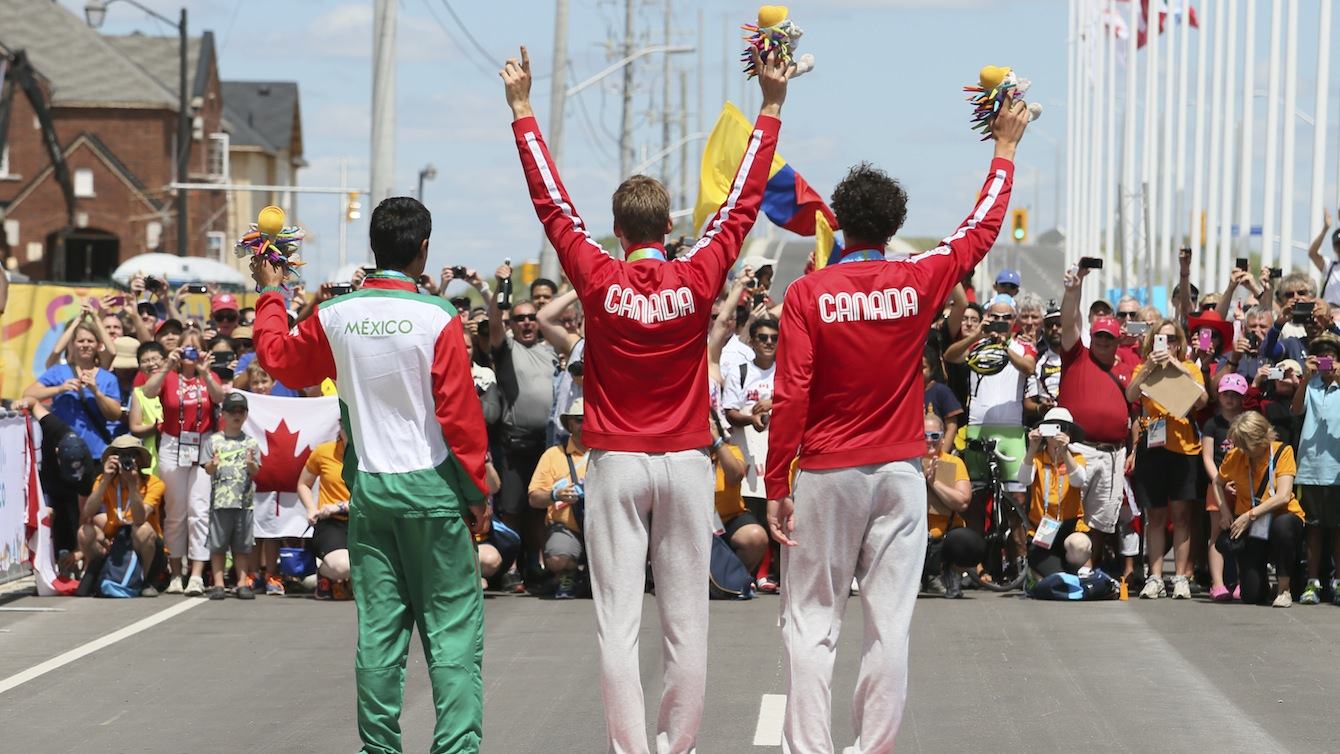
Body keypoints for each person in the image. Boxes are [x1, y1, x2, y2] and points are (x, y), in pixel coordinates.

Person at [504, 43, 789, 754]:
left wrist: (522, 110)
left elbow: (552, 205)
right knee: (687, 621)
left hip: (616, 461)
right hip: (687, 461)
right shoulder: (697, 273)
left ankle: (632, 750)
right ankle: (677, 746)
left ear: (620, 230)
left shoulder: (597, 276)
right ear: (665, 230)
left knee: (618, 622)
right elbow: (743, 203)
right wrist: (773, 105)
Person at [765, 94, 1027, 752]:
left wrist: (776, 482)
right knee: (890, 624)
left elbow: (791, 392)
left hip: (827, 471)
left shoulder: (808, 292)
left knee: (812, 622)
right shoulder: (917, 278)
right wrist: (1005, 151)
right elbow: (979, 230)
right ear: (894, 225)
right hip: (901, 471)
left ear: (841, 224)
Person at [251, 195, 489, 753]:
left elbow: (278, 357)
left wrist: (271, 290)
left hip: (371, 493)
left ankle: (379, 749)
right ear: (424, 249)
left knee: (380, 636)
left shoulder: (335, 316)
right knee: (452, 634)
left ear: (372, 247)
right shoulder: (439, 316)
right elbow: (459, 414)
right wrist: (477, 489)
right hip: (432, 490)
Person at [1127, 320, 1208, 600]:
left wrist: (1178, 366)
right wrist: (1150, 365)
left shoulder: (1190, 367)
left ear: (1180, 342)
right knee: (1156, 515)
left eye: (1172, 339)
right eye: (1161, 339)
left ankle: (1182, 576)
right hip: (1154, 447)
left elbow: (1202, 400)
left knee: (1182, 515)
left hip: (1184, 449)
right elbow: (1131, 394)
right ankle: (1156, 576)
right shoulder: (1144, 368)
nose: (1167, 343)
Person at [141, 339, 226, 596]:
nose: (190, 353)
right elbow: (147, 391)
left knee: (198, 509)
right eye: (185, 348)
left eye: (195, 348)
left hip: (203, 443)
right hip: (172, 444)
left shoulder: (208, 375)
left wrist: (204, 372)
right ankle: (176, 572)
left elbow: (220, 397)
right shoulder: (167, 375)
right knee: (176, 510)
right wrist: (167, 366)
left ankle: (198, 574)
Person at [1213, 411, 1305, 607]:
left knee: (1283, 525)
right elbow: (1217, 483)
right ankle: (1264, 586)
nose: (1241, 449)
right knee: (1252, 595)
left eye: (1245, 444)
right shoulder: (1236, 456)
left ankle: (1283, 589)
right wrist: (1225, 512)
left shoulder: (1282, 452)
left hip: (1282, 517)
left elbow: (1283, 495)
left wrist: (1250, 514)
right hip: (1253, 527)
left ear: (1261, 438)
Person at [723, 316, 780, 591]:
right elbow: (730, 412)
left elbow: (800, 400)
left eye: (774, 338)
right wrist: (752, 419)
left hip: (780, 447)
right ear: (753, 341)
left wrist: (774, 403)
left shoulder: (787, 373)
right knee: (753, 508)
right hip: (748, 448)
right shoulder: (740, 371)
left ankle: (770, 572)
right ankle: (755, 572)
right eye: (763, 337)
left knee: (778, 505)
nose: (768, 342)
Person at [77, 435, 165, 597]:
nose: (126, 459)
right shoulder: (104, 480)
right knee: (85, 531)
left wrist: (133, 485)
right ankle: (100, 571)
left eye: (131, 455)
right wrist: (105, 481)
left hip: (147, 547)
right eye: (121, 455)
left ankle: (147, 581)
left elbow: (139, 519)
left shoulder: (154, 483)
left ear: (139, 460)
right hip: (117, 542)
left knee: (142, 529)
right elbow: (87, 513)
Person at [24, 320, 123, 460]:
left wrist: (96, 392)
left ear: (98, 345)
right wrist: (59, 389)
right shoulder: (58, 372)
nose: (85, 345)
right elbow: (28, 393)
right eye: (81, 341)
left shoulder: (107, 378)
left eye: (90, 341)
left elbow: (114, 415)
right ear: (72, 345)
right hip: (61, 452)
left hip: (97, 453)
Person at [1290, 334, 1340, 605]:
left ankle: (1338, 581)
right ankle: (1313, 581)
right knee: (1314, 529)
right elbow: (1296, 410)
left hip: (1337, 469)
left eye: (1332, 356)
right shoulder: (1311, 385)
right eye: (1321, 356)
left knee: (1338, 528)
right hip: (1310, 468)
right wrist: (1306, 378)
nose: (1327, 362)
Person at [527, 399, 589, 599]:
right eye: (579, 420)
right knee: (556, 558)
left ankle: (589, 578)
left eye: (590, 419)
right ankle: (569, 575)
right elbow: (534, 497)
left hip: (605, 528)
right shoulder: (553, 455)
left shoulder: (607, 453)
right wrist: (555, 495)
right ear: (570, 424)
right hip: (568, 527)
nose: (585, 424)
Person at [201, 392, 259, 600]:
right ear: (223, 414)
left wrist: (252, 464)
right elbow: (207, 469)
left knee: (242, 545)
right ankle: (218, 583)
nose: (236, 415)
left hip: (244, 502)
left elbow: (255, 471)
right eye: (232, 411)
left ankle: (242, 582)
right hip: (220, 501)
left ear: (245, 415)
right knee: (218, 544)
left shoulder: (251, 443)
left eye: (240, 411)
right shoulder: (213, 441)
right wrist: (212, 465)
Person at [1018, 409, 1089, 578]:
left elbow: (1079, 480)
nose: (1057, 433)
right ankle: (1040, 573)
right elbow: (1023, 479)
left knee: (1080, 544)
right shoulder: (1036, 458)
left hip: (1069, 527)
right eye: (1051, 428)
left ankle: (1074, 570)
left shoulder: (1077, 457)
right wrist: (1032, 448)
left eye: (1062, 428)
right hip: (1042, 531)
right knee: (1057, 579)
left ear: (1069, 433)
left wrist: (1065, 451)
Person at [1201, 372, 1249, 601]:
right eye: (1225, 394)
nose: (1230, 399)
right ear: (1218, 397)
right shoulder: (1212, 424)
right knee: (1217, 532)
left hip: (1244, 485)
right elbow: (1208, 457)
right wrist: (1219, 481)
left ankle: (1242, 582)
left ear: (1242, 399)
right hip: (1218, 485)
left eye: (1235, 395)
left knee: (1242, 534)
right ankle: (1218, 583)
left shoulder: (1248, 422)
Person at [921, 414, 978, 598]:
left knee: (969, 541)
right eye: (924, 435)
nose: (929, 440)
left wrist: (934, 483)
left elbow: (963, 502)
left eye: (935, 436)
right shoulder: (908, 463)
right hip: (913, 535)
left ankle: (949, 572)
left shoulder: (954, 462)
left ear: (943, 438)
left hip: (944, 534)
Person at [298, 428, 354, 601]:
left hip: (362, 521)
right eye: (346, 426)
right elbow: (303, 484)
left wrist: (341, 506)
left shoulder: (369, 454)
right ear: (341, 428)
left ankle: (348, 583)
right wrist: (311, 508)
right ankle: (325, 574)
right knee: (343, 567)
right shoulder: (324, 451)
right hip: (331, 524)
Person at [711, 412, 767, 573]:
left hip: (728, 519)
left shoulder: (731, 450)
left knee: (756, 537)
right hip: (695, 523)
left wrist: (717, 442)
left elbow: (735, 476)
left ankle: (734, 580)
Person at [1305, 208, 1340, 306]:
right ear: (1334, 247)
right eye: (1338, 245)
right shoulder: (1330, 266)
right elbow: (1312, 253)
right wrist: (1325, 229)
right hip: (1330, 313)